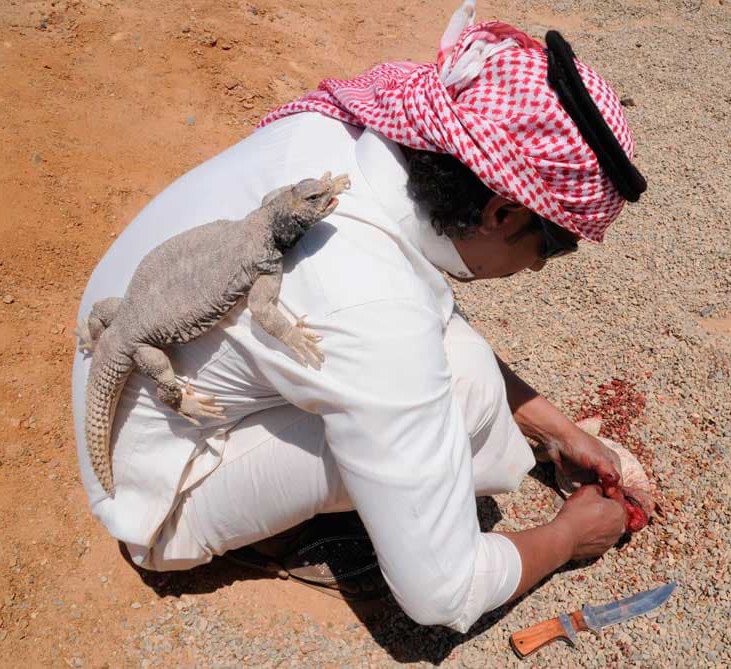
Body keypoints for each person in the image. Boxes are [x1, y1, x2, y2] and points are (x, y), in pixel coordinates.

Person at [71, 2, 651, 633]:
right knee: (456, 400)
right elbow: (445, 594)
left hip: (127, 370)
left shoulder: (341, 142)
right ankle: (266, 536)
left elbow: (417, 316)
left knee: (458, 369)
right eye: (551, 246)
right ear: (502, 213)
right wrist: (568, 536)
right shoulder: (373, 307)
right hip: (157, 495)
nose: (540, 269)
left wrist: (561, 434)